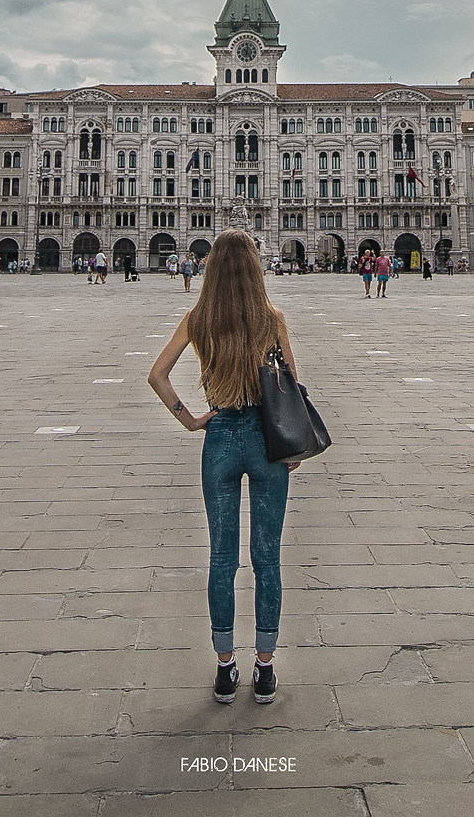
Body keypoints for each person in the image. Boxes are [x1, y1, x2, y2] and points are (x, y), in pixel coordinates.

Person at [146, 229, 300, 706]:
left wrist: (190, 420)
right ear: (256, 268)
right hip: (267, 440)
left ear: (210, 268)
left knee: (221, 558)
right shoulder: (272, 319)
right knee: (267, 556)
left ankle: (225, 667)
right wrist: (291, 447)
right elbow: (291, 385)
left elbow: (157, 375)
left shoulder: (200, 319)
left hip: (220, 439)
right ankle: (267, 667)